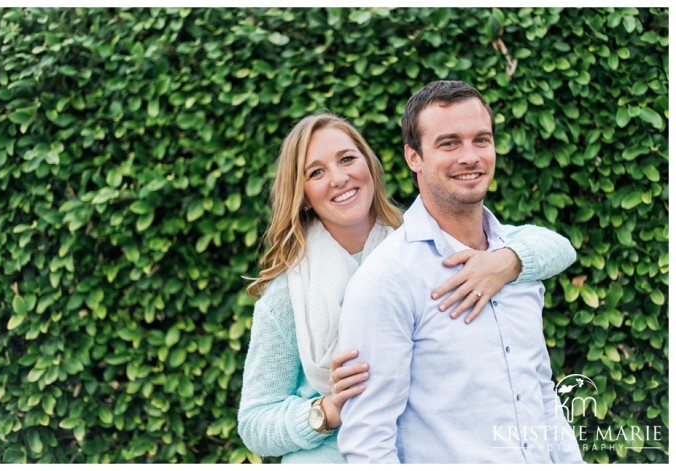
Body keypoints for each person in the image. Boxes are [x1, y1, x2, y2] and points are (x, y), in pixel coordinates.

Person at [238, 112, 577, 463]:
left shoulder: (426, 243)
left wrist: (506, 262)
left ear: (369, 166)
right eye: (317, 172)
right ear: (303, 194)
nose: (339, 178)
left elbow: (557, 247)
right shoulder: (287, 295)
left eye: (347, 159)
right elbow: (254, 422)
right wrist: (328, 410)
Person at [337, 80, 585, 463]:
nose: (470, 156)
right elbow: (368, 441)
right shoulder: (387, 278)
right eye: (449, 143)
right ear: (414, 157)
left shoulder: (516, 260)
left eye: (481, 140)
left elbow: (540, 393)